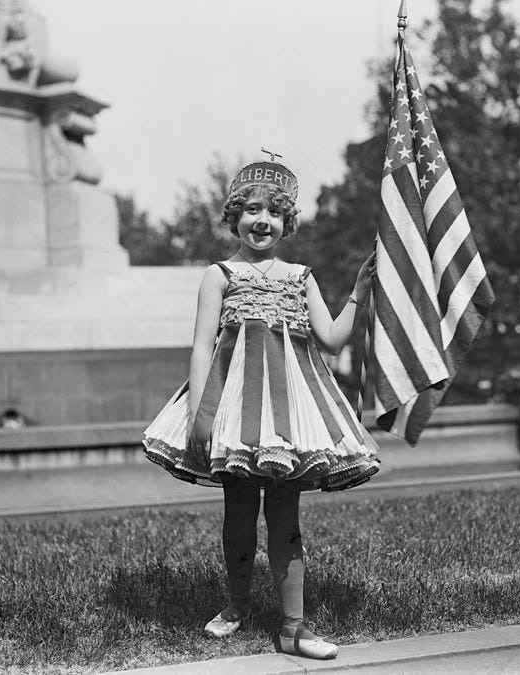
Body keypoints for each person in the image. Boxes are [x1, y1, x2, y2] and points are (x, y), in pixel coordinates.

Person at [143, 158, 379, 660]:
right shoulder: (219, 274)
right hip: (232, 408)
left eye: (274, 212)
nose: (262, 220)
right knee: (240, 509)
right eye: (252, 210)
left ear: (287, 221)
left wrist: (358, 293)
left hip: (288, 412)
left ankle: (294, 625)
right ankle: (235, 605)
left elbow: (333, 338)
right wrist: (201, 416)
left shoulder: (300, 276)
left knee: (285, 513)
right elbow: (202, 345)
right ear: (234, 217)